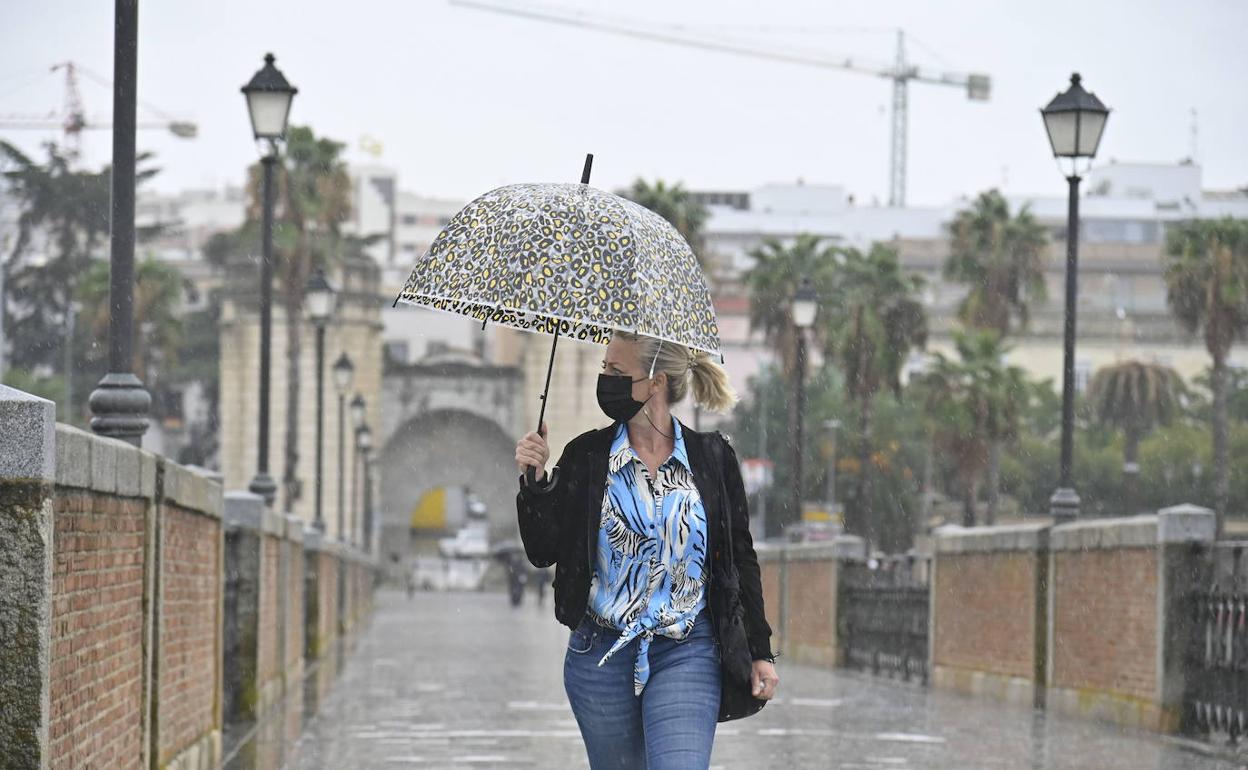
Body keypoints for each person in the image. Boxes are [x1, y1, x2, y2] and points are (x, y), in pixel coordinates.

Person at [514, 332, 778, 770]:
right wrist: (535, 483)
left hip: (687, 648)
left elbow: (739, 557)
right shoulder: (586, 455)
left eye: (617, 372)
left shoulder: (713, 458)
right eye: (604, 369)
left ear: (656, 381)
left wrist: (759, 650)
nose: (605, 379)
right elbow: (543, 551)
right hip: (599, 653)